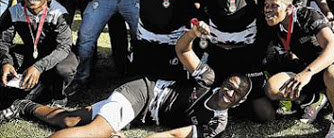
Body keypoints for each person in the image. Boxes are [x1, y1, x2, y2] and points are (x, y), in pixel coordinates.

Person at [0, 21, 252, 138]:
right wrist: (193, 34)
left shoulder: (216, 124)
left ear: (240, 102)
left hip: (141, 114)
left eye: (236, 94)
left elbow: (173, 136)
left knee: (70, 119)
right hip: (142, 93)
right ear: (224, 82)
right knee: (94, 133)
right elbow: (183, 50)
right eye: (230, 85)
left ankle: (25, 106)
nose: (230, 92)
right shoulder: (207, 79)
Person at [263, 0, 334, 138]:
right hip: (311, 70)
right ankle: (314, 99)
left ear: (289, 8)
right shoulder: (275, 24)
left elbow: (333, 48)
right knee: (272, 88)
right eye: (266, 5)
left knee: (332, 75)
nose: (268, 10)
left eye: (274, 6)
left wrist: (307, 73)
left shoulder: (307, 15)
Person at [0, 0, 77, 108]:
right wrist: (6, 62)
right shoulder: (14, 11)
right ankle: (16, 87)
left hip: (55, 53)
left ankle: (59, 96)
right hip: (31, 51)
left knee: (64, 69)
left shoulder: (59, 13)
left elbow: (64, 47)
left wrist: (38, 67)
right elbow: (4, 42)